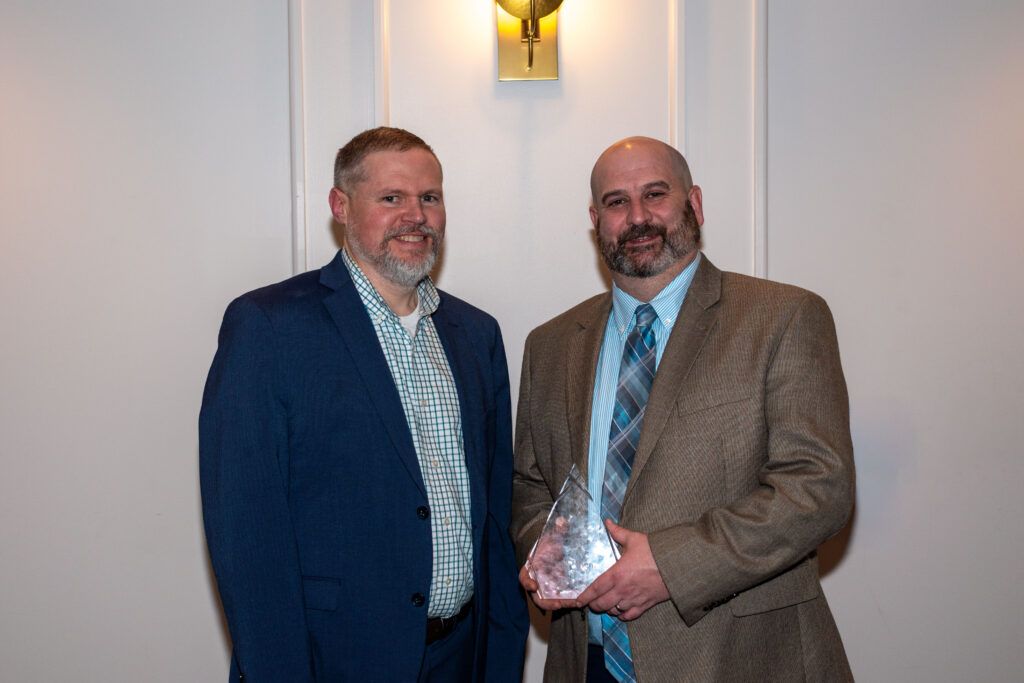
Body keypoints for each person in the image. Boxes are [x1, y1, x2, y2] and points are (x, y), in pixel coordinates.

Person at [511, 136, 854, 682]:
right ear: (596, 221)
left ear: (694, 203)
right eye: (617, 202)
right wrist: (551, 554)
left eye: (655, 194)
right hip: (587, 662)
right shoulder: (549, 346)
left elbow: (818, 487)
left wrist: (670, 566)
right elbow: (532, 487)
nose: (638, 217)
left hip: (739, 661)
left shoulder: (783, 318)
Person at [200, 127, 528, 682]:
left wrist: (499, 659)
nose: (415, 216)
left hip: (462, 657)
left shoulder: (476, 334)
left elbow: (495, 519)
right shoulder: (269, 327)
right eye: (391, 197)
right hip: (332, 660)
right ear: (341, 206)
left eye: (429, 197)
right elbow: (247, 536)